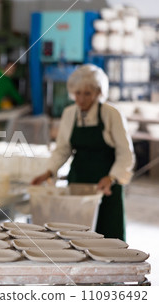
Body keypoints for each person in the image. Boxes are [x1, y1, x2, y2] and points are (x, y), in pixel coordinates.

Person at [31, 64, 134, 241]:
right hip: (78, 179)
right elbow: (62, 149)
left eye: (87, 93)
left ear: (98, 93)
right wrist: (48, 172)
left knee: (108, 234)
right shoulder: (69, 114)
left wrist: (112, 177)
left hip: (106, 184)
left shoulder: (111, 114)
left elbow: (125, 153)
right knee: (77, 235)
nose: (81, 99)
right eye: (77, 93)